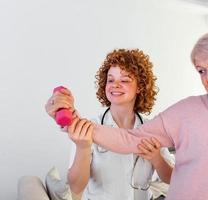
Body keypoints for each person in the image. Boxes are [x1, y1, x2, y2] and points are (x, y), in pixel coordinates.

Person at [47, 31, 208, 200]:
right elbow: (127, 140)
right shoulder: (184, 113)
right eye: (201, 70)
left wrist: (155, 158)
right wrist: (73, 121)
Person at [45, 49, 174, 200]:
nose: (115, 85)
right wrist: (83, 147)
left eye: (124, 80)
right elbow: (76, 187)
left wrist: (156, 158)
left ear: (140, 86)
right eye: (110, 80)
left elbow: (172, 178)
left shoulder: (152, 128)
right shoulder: (88, 128)